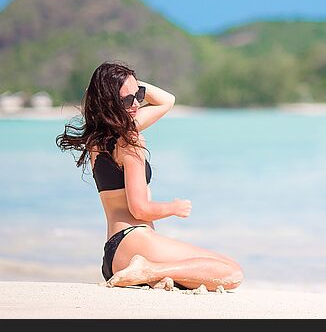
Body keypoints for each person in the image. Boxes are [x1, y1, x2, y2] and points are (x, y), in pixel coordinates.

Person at [56, 61, 243, 291]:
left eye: (139, 96)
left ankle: (150, 273)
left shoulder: (98, 138)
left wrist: (127, 83)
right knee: (231, 272)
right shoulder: (130, 141)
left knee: (202, 272)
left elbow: (167, 101)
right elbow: (139, 209)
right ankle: (149, 271)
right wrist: (174, 208)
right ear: (110, 102)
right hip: (133, 241)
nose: (136, 104)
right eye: (127, 100)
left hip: (114, 254)